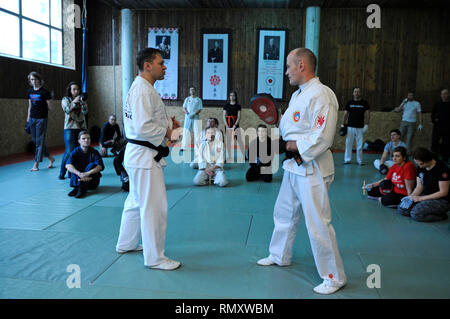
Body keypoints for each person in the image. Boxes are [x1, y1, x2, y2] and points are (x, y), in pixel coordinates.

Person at [257, 48, 346, 295]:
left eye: (288, 67)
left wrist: (285, 145)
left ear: (302, 66)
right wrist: (276, 129)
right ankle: (279, 255)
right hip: (293, 167)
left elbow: (322, 138)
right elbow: (291, 128)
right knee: (284, 213)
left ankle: (334, 277)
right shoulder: (299, 95)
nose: (286, 72)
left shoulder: (322, 95)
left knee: (318, 223)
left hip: (313, 168)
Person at [115, 48, 181, 271]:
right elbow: (144, 126)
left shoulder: (142, 88)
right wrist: (168, 133)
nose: (165, 67)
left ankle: (126, 243)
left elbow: (143, 123)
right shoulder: (144, 91)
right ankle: (156, 258)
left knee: (135, 202)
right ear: (147, 65)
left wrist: (167, 128)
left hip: (138, 156)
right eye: (161, 63)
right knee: (154, 207)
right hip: (144, 157)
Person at [398, 147, 449, 222]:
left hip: (441, 200)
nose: (420, 166)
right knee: (402, 209)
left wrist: (421, 198)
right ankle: (423, 208)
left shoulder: (442, 169)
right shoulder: (420, 167)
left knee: (415, 214)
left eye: (421, 164)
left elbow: (443, 192)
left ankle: (441, 215)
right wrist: (411, 197)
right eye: (418, 164)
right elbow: (419, 187)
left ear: (428, 160)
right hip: (425, 196)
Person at [26, 71, 56, 172]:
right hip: (32, 119)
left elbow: (51, 108)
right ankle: (50, 158)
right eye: (31, 79)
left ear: (39, 80)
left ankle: (36, 164)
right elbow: (30, 106)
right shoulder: (30, 92)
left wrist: (51, 100)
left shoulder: (44, 92)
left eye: (35, 79)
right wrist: (28, 118)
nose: (33, 81)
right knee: (36, 141)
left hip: (42, 119)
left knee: (39, 141)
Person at [59, 81, 88, 180]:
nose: (76, 91)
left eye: (78, 89)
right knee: (69, 151)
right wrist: (74, 101)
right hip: (70, 128)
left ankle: (73, 173)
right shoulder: (65, 99)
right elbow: (67, 110)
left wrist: (83, 104)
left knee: (78, 151)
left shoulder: (81, 99)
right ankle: (62, 172)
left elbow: (85, 111)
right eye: (74, 89)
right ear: (70, 90)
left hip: (81, 128)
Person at [65, 131, 104, 199]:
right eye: (83, 138)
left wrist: (87, 173)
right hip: (79, 179)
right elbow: (68, 165)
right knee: (72, 165)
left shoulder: (94, 152)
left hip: (91, 182)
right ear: (79, 141)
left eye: (88, 138)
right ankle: (78, 187)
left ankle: (81, 188)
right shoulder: (75, 152)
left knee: (92, 165)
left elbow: (100, 166)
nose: (86, 140)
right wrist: (79, 173)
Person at [342, 87, 370, 165]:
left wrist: (367, 124)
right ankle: (347, 159)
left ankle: (359, 161)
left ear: (360, 93)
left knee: (359, 145)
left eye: (358, 92)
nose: (357, 93)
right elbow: (345, 114)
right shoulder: (349, 102)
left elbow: (367, 114)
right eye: (355, 91)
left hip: (360, 127)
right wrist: (342, 124)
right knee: (348, 144)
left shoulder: (364, 103)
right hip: (350, 127)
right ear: (353, 93)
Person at [223, 91, 244, 161]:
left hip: (235, 123)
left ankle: (243, 155)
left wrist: (235, 125)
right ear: (229, 97)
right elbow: (224, 115)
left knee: (239, 139)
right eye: (230, 95)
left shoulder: (238, 106)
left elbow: (239, 116)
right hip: (228, 123)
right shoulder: (226, 105)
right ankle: (229, 156)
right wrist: (226, 125)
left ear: (235, 97)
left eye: (233, 95)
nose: (232, 97)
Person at [181, 87, 203, 151]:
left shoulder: (198, 100)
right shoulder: (187, 99)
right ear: (189, 91)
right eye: (191, 90)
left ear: (195, 91)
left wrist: (193, 114)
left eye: (193, 89)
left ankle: (198, 147)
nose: (192, 91)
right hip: (188, 118)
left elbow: (199, 109)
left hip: (195, 117)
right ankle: (184, 147)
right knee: (186, 131)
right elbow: (184, 108)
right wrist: (188, 114)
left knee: (197, 132)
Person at [431, 88, 450, 163]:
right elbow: (433, 114)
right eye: (442, 94)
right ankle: (434, 158)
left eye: (445, 94)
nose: (444, 95)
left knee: (447, 142)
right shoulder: (437, 103)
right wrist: (434, 120)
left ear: (448, 95)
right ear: (441, 95)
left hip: (448, 127)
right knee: (434, 142)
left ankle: (445, 158)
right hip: (438, 126)